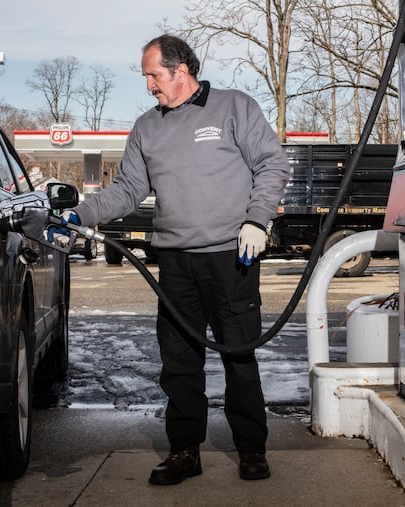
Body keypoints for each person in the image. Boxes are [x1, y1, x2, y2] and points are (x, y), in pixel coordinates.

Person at [66, 34, 290, 485]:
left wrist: (257, 220)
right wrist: (78, 214)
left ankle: (250, 449)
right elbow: (128, 189)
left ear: (180, 70)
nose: (149, 85)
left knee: (238, 355)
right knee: (179, 362)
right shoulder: (148, 127)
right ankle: (184, 451)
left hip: (233, 256)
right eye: (146, 76)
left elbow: (273, 164)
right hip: (175, 263)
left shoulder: (234, 107)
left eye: (153, 75)